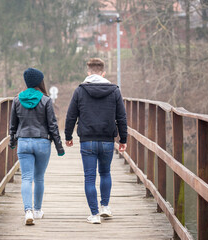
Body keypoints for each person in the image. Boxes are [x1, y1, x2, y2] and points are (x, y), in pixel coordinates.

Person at [64, 58, 127, 224]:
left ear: (88, 72)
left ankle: (94, 214)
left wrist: (68, 136)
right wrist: (123, 139)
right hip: (107, 140)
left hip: (87, 141)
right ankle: (105, 206)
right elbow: (121, 117)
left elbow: (71, 115)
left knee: (90, 177)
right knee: (105, 173)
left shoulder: (80, 90)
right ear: (104, 73)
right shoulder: (114, 91)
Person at [9, 68, 65, 225]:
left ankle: (28, 211)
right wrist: (59, 147)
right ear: (40, 82)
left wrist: (12, 141)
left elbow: (13, 124)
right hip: (42, 142)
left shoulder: (17, 99)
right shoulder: (46, 100)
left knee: (26, 178)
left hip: (24, 142)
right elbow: (52, 125)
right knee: (38, 178)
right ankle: (38, 211)